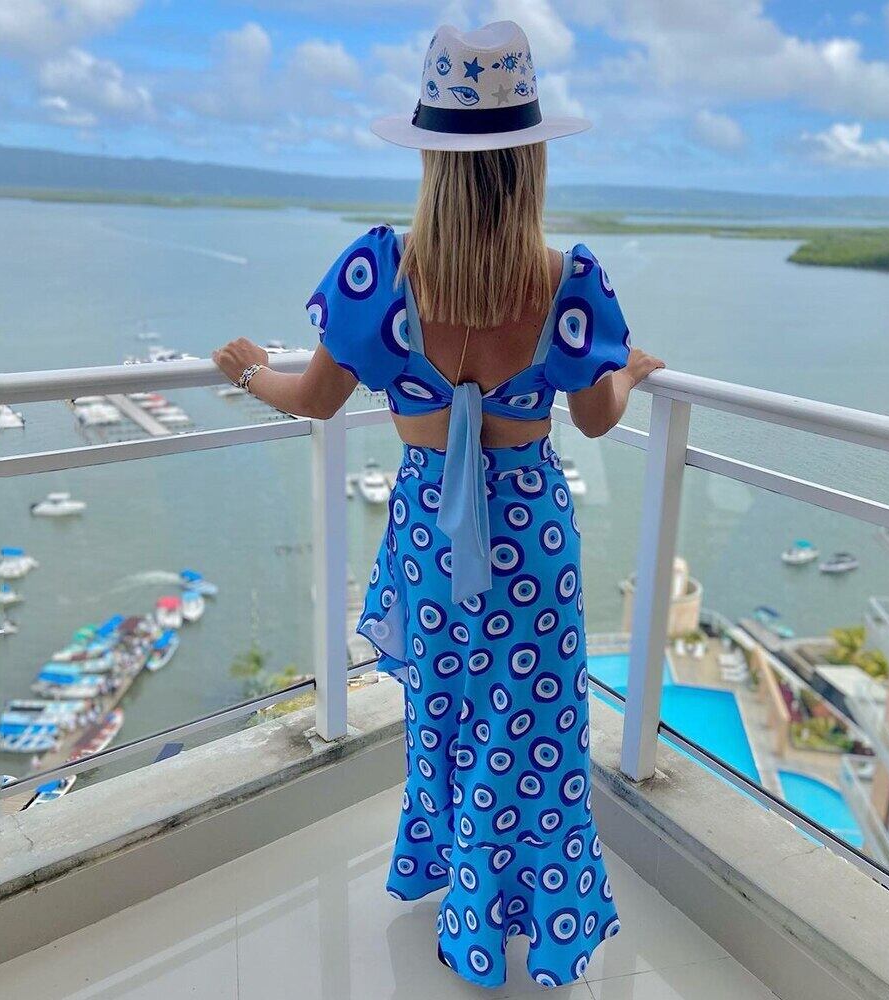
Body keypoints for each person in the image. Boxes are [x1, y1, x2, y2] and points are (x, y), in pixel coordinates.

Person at [213, 19, 664, 990]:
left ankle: (463, 906)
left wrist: (251, 371)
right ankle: (521, 918)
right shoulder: (567, 281)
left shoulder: (378, 273)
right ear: (531, 160)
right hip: (530, 543)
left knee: (447, 718)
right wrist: (627, 370)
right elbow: (594, 419)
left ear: (431, 159)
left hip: (427, 538)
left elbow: (314, 399)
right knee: (531, 736)